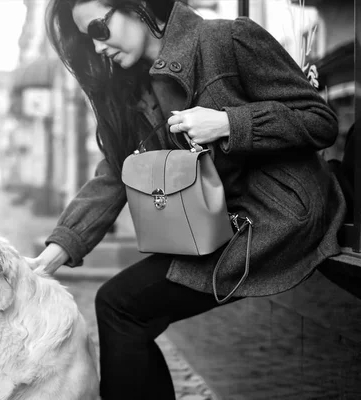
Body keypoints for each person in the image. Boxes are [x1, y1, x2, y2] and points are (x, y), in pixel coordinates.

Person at [25, 1, 347, 399]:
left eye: (98, 29)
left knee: (120, 307)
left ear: (137, 6)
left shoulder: (227, 39)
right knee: (120, 306)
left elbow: (319, 120)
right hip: (210, 226)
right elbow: (114, 173)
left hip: (275, 216)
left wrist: (229, 122)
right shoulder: (133, 89)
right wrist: (58, 250)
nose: (97, 48)